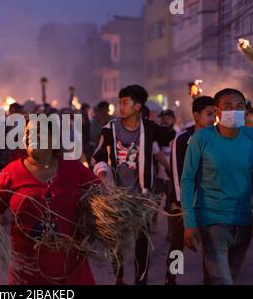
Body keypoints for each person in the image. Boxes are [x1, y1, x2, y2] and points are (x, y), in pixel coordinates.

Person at [0, 120, 99, 285]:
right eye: (27, 133)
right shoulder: (10, 173)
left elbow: (102, 197)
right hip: (26, 273)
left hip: (71, 272)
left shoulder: (73, 168)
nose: (30, 136)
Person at [91, 85, 176, 285]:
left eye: (125, 102)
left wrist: (171, 124)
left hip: (142, 197)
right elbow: (97, 157)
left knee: (142, 242)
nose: (121, 106)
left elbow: (172, 138)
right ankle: (119, 276)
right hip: (117, 198)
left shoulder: (150, 128)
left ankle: (141, 280)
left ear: (137, 106)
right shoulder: (110, 129)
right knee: (117, 241)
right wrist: (102, 170)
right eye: (120, 102)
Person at [181, 88, 253, 285]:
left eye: (239, 106)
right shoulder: (201, 139)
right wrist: (189, 222)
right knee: (223, 280)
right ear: (217, 111)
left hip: (245, 221)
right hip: (212, 219)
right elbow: (187, 180)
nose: (235, 110)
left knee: (227, 276)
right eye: (228, 106)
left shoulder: (251, 137)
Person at [165, 96, 216, 285]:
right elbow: (177, 175)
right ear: (196, 116)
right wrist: (182, 206)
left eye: (215, 114)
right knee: (178, 244)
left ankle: (208, 281)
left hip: (208, 202)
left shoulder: (218, 138)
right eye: (209, 114)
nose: (213, 119)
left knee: (209, 246)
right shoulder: (182, 140)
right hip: (181, 202)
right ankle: (171, 278)